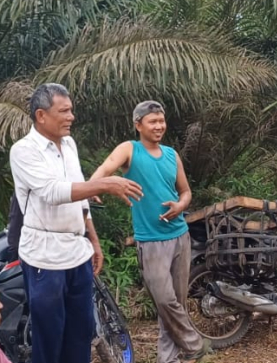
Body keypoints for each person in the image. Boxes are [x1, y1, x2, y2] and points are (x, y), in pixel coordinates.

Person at [9, 83, 143, 363]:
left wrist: (91, 238)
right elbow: (52, 191)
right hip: (44, 259)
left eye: (72, 110)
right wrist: (104, 184)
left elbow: (80, 192)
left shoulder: (69, 144)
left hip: (77, 253)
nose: (72, 117)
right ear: (41, 115)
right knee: (49, 339)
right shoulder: (24, 150)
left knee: (81, 334)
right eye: (64, 111)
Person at [91, 101, 210, 363]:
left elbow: (186, 192)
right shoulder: (129, 150)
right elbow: (107, 167)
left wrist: (180, 205)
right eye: (152, 121)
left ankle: (169, 359)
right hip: (151, 241)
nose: (159, 126)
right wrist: (93, 186)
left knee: (175, 304)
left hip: (180, 236)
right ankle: (194, 344)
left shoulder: (171, 155)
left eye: (161, 121)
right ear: (138, 125)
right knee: (166, 302)